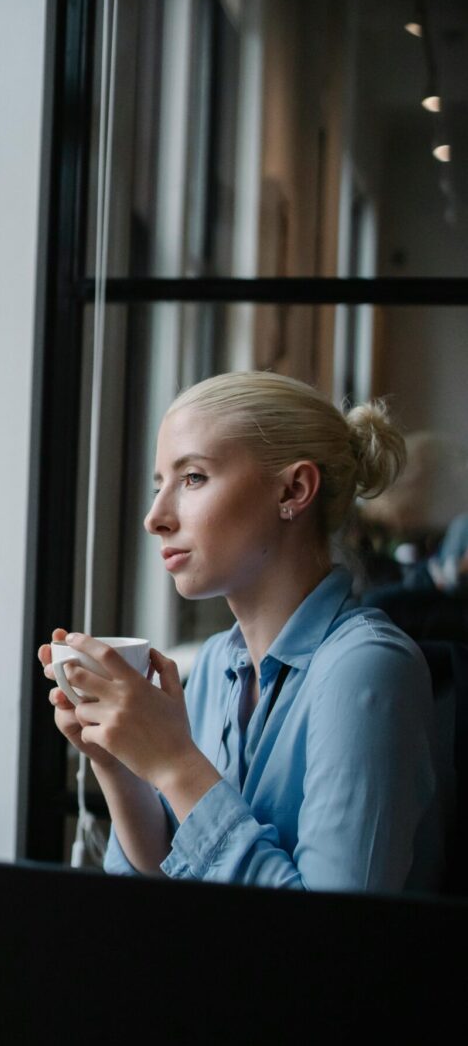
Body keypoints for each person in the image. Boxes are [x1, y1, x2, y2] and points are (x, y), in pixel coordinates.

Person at [38, 372, 444, 893]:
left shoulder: (366, 669)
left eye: (193, 478)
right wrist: (120, 763)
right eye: (159, 484)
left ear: (294, 490)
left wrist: (174, 763)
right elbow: (165, 877)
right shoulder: (215, 663)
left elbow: (334, 943)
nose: (154, 517)